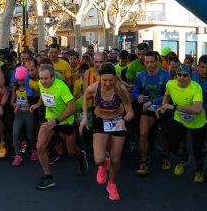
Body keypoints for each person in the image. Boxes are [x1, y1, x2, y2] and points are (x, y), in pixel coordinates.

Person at [80, 62, 133, 200]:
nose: (108, 83)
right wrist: (85, 117)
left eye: (111, 80)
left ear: (115, 78)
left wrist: (124, 120)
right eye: (105, 80)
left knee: (116, 159)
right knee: (98, 159)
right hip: (100, 120)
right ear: (100, 78)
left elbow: (130, 113)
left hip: (117, 121)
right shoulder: (94, 88)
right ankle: (104, 164)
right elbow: (85, 97)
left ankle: (112, 184)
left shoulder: (121, 89)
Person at [30, 64, 88, 190]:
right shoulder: (41, 84)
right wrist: (38, 104)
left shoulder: (61, 87)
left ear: (53, 78)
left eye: (46, 78)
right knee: (40, 147)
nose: (43, 81)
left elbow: (72, 108)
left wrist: (57, 121)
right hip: (50, 118)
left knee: (72, 151)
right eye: (41, 78)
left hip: (65, 121)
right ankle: (48, 177)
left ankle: (81, 155)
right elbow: (42, 94)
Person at [156, 64, 207, 183]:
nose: (182, 78)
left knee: (198, 150)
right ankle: (184, 158)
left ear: (191, 76)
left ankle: (199, 171)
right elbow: (167, 95)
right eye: (179, 75)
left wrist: (174, 106)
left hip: (197, 122)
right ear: (176, 75)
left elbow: (197, 109)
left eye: (185, 75)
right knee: (173, 147)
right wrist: (163, 107)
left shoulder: (196, 87)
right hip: (180, 120)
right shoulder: (170, 84)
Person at [131, 51, 171, 175]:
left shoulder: (165, 76)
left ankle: (166, 156)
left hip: (163, 106)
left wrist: (154, 101)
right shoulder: (141, 76)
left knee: (165, 133)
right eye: (147, 62)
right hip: (148, 108)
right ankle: (143, 161)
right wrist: (138, 97)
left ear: (157, 61)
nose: (150, 64)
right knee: (143, 133)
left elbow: (169, 95)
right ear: (144, 62)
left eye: (152, 61)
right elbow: (135, 91)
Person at [10, 67, 37, 166]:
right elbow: (12, 101)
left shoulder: (30, 88)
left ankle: (33, 150)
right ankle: (18, 155)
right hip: (19, 115)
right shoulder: (15, 88)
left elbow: (34, 103)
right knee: (15, 134)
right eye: (18, 80)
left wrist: (23, 106)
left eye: (22, 80)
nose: (20, 82)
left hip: (28, 114)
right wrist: (15, 105)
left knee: (30, 135)